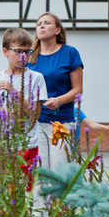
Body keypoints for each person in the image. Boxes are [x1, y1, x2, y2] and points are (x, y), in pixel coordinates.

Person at [0, 28, 48, 191]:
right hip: (1, 145)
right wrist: (3, 113)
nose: (23, 56)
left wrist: (14, 92)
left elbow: (35, 114)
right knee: (2, 193)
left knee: (24, 194)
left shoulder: (36, 78)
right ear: (5, 51)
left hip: (26, 146)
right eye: (18, 51)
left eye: (27, 51)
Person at [28, 12, 83, 171]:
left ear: (58, 30)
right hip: (35, 123)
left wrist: (58, 100)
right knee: (40, 173)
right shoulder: (30, 56)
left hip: (61, 122)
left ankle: (60, 198)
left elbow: (78, 89)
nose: (42, 26)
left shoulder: (70, 53)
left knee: (58, 172)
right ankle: (38, 198)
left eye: (47, 23)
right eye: (39, 24)